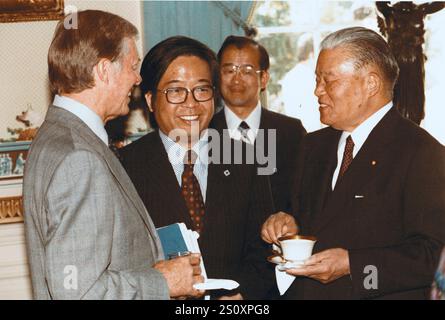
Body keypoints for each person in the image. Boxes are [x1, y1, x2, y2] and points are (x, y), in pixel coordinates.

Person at [23, 10, 203, 300]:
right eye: (133, 66)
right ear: (104, 70)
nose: (138, 78)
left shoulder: (58, 137)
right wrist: (162, 282)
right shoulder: (78, 157)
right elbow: (77, 292)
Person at [261, 27, 445, 299]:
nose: (317, 91)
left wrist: (353, 266)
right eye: (317, 80)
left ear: (370, 83)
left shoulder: (423, 154)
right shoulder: (313, 146)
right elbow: (307, 216)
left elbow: (432, 256)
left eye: (329, 81)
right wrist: (287, 224)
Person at [120, 36, 275, 299]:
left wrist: (243, 293)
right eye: (175, 91)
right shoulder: (124, 167)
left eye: (202, 90)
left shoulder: (244, 158)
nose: (191, 103)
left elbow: (264, 252)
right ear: (149, 100)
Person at [213, 35, 306, 213]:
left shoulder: (292, 132)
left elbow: (307, 197)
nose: (237, 79)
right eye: (229, 71)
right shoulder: (203, 133)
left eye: (247, 71)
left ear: (263, 79)